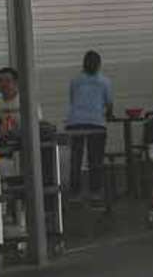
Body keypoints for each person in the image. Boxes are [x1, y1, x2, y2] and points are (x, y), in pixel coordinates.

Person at [66, 50, 114, 202]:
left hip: (75, 123)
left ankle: (75, 193)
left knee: (76, 159)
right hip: (96, 123)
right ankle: (95, 192)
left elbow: (73, 100)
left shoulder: (75, 80)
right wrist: (108, 114)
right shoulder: (105, 81)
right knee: (96, 159)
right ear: (99, 65)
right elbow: (109, 103)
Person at [0, 67, 21, 133]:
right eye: (0, 81)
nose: (4, 84)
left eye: (8, 81)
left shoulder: (26, 102)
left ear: (15, 83)